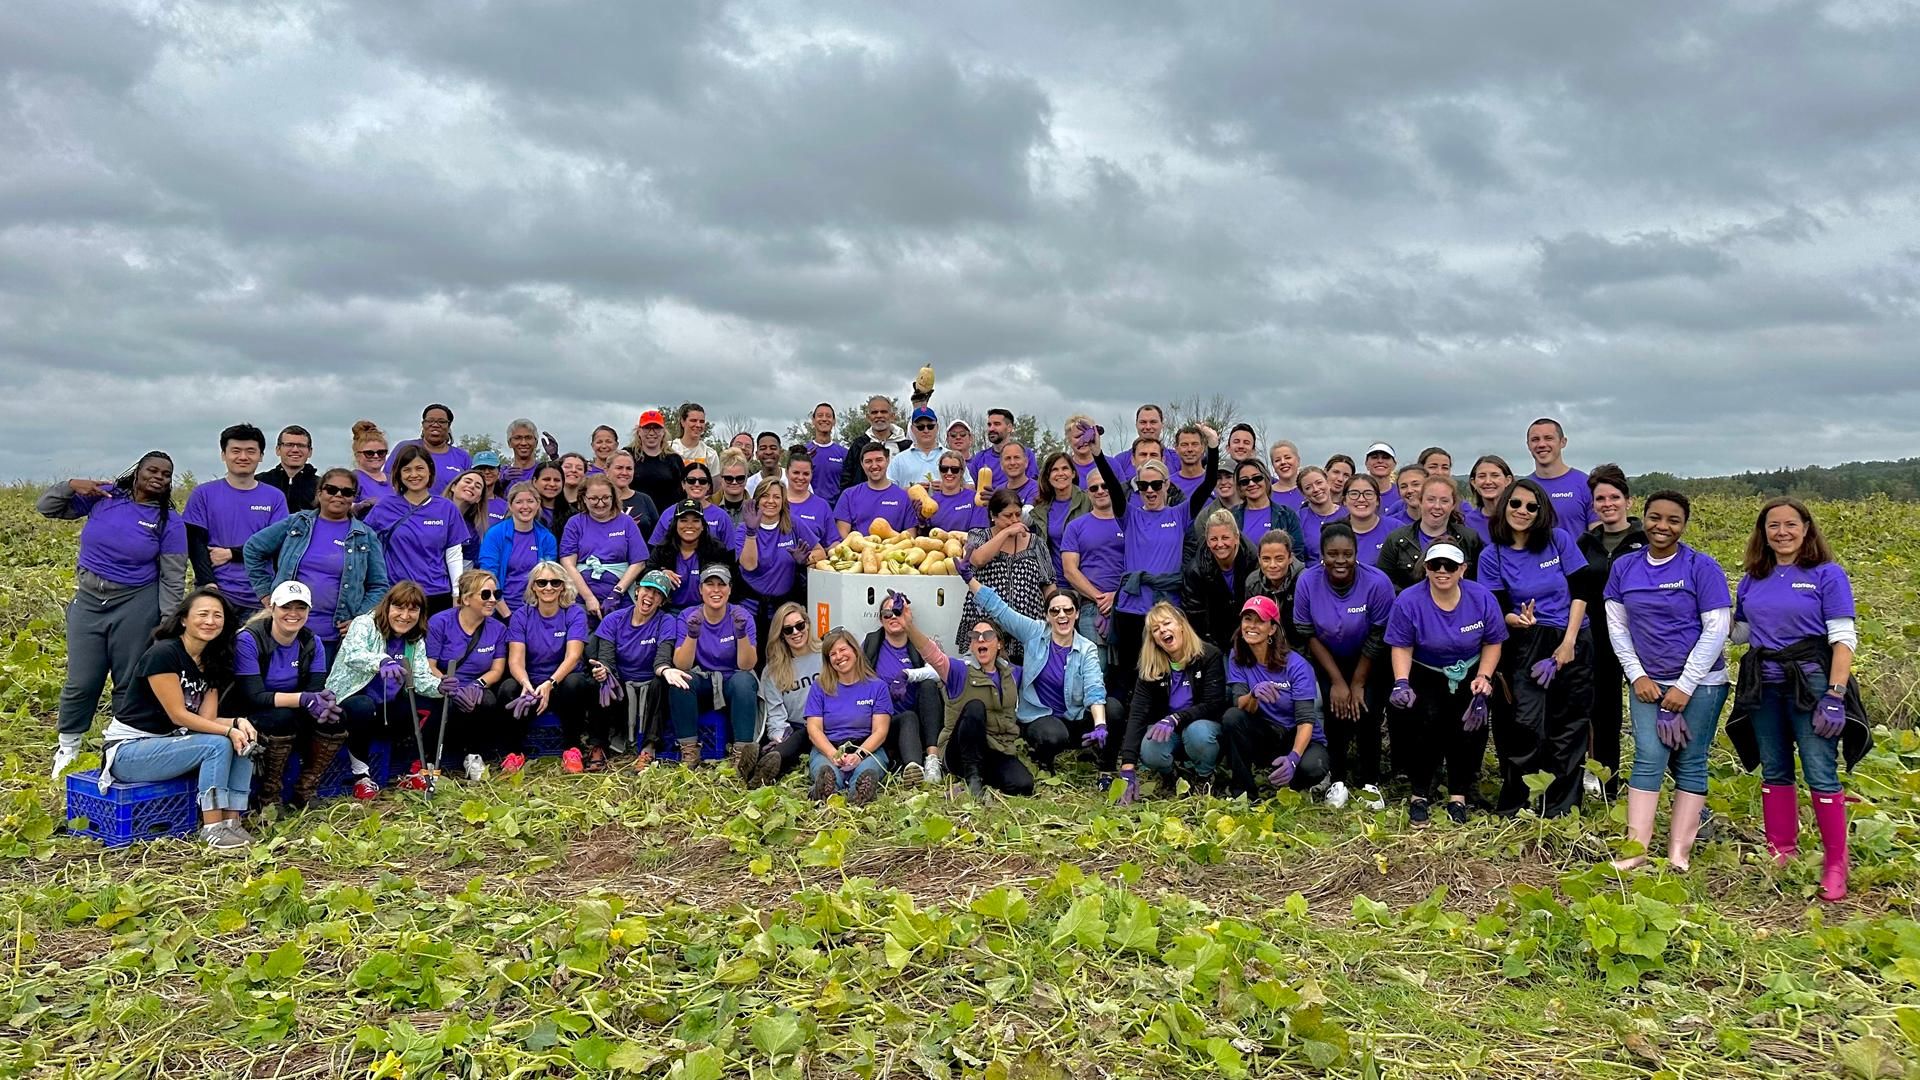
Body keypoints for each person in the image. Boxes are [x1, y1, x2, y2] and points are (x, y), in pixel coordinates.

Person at [1727, 498, 1867, 902]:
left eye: (1791, 524)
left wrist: (1835, 695)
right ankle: (1781, 852)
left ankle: (1836, 864)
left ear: (1806, 529)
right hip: (1764, 686)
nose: (1782, 532)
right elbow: (1741, 633)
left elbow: (1843, 640)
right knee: (1774, 768)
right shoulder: (1753, 578)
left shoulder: (1827, 575)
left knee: (1820, 770)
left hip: (1812, 686)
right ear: (1763, 532)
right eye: (1773, 525)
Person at [1602, 491, 1732, 872]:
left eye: (1673, 520)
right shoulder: (1625, 567)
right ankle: (1636, 850)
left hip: (1702, 684)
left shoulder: (1701, 567)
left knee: (1692, 761)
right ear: (1643, 518)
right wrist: (1637, 674)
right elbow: (1617, 625)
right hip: (1647, 683)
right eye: (1655, 518)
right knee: (1648, 758)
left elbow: (1716, 628)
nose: (1663, 526)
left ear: (1684, 525)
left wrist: (1685, 686)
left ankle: (1679, 853)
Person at [41, 453, 190, 777]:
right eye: (152, 470)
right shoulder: (105, 497)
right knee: (82, 681)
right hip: (90, 600)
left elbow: (173, 576)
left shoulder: (169, 521)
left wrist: (168, 623)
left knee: (127, 679)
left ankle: (118, 744)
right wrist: (70, 485)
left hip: (136, 602)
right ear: (137, 471)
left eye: (166, 474)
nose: (159, 477)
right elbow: (48, 507)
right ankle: (68, 747)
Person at [99, 586, 255, 853]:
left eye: (217, 616)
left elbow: (206, 719)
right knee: (217, 744)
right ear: (184, 619)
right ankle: (212, 830)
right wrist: (227, 732)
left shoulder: (212, 660)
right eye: (202, 614)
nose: (210, 621)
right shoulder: (164, 654)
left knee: (246, 739)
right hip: (129, 749)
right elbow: (179, 715)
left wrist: (237, 723)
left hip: (168, 744)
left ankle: (232, 822)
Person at [1477, 478, 1595, 817]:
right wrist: (1517, 620)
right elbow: (1498, 607)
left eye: (1532, 506)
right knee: (1527, 726)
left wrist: (1569, 641)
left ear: (1542, 511)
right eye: (1516, 504)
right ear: (1504, 507)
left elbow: (1581, 588)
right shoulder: (1492, 554)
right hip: (1527, 643)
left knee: (1569, 724)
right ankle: (1519, 803)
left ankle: (1561, 807)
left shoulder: (1558, 541)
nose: (1523, 512)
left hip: (1571, 638)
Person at [1385, 543, 1507, 826]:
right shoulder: (1408, 601)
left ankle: (1458, 797)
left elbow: (1493, 640)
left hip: (1471, 671)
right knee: (1423, 729)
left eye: (1450, 566)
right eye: (1434, 565)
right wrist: (1401, 682)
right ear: (1425, 568)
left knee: (1467, 731)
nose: (1442, 571)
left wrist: (1484, 678)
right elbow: (1401, 645)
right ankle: (1419, 795)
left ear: (1462, 569)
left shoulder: (1482, 598)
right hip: (1425, 671)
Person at [1294, 524, 1397, 811]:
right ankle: (1337, 778)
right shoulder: (1307, 581)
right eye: (1333, 554)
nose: (1340, 560)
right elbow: (1307, 633)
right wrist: (1339, 682)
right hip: (1328, 658)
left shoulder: (1377, 582)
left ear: (1357, 554)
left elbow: (1379, 634)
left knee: (1367, 711)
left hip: (1371, 659)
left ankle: (1369, 782)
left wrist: (1357, 683)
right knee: (1334, 711)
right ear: (1322, 556)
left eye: (1347, 554)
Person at [966, 578, 1111, 775]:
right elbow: (1000, 610)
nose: (1062, 615)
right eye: (1055, 611)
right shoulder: (1034, 632)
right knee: (1053, 736)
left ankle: (1106, 765)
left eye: (1068, 610)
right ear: (1047, 616)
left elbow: (1094, 689)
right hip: (1041, 716)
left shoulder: (1087, 648)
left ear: (1076, 614)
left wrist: (1100, 724)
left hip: (1073, 716)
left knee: (1114, 709)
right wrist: (969, 579)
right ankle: (1042, 761)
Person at [243, 467, 390, 650]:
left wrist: (359, 619)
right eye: (331, 489)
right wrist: (265, 593)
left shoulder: (365, 535)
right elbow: (252, 549)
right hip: (286, 630)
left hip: (336, 639)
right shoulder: (297, 523)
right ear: (319, 493)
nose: (338, 495)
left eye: (346, 492)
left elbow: (379, 586)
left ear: (353, 498)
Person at [324, 581, 444, 796]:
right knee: (362, 706)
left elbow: (421, 678)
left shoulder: (414, 639)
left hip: (387, 706)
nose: (405, 616)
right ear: (387, 606)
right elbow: (354, 655)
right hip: (348, 701)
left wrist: (444, 686)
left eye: (413, 609)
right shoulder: (365, 624)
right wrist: (381, 661)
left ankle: (416, 772)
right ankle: (362, 777)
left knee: (436, 702)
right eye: (399, 607)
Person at [1577, 464, 1648, 799]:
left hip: (1642, 641)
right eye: (1600, 498)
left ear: (1628, 502)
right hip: (1596, 638)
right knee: (1601, 712)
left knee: (1648, 711)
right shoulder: (1585, 543)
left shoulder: (1645, 541)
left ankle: (1655, 781)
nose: (1607, 503)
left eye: (1614, 497)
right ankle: (1605, 782)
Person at [1100, 456, 1193, 705]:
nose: (1150, 491)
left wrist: (1214, 447)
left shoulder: (1180, 514)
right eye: (1143, 486)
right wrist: (1098, 453)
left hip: (1166, 608)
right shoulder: (1130, 515)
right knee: (1131, 671)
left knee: (1165, 671)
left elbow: (1209, 484)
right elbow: (1111, 484)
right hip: (1132, 608)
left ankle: (1163, 725)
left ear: (1166, 485)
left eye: (1156, 485)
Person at [230, 581, 330, 807]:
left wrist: (323, 702)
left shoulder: (312, 642)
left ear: (308, 611)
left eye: (301, 608)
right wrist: (303, 699)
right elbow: (253, 695)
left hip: (292, 707)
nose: (293, 614)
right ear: (272, 608)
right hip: (251, 711)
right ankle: (269, 796)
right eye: (286, 607)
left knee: (335, 719)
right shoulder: (249, 639)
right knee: (281, 717)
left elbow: (315, 689)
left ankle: (305, 789)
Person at [1223, 596, 1329, 800]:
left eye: (1259, 621)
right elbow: (1240, 704)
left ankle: (1293, 783)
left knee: (1312, 767)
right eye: (1247, 619)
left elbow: (1306, 719)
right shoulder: (1237, 656)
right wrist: (1253, 694)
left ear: (1272, 629)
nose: (1251, 626)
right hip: (1267, 731)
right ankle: (1243, 793)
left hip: (1296, 735)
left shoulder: (1297, 665)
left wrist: (1294, 758)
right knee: (1232, 717)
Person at [915, 616, 1033, 797]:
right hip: (958, 751)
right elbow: (933, 655)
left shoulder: (1013, 673)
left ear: (999, 644)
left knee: (1023, 785)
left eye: (987, 635)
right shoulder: (959, 670)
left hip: (994, 748)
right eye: (975, 636)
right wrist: (908, 626)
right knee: (975, 707)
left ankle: (976, 779)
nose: (980, 639)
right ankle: (973, 780)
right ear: (971, 645)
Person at [1124, 602, 1228, 801]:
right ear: (1154, 639)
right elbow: (1137, 714)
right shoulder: (1151, 667)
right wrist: (1127, 767)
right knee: (1150, 746)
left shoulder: (1209, 655)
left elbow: (1213, 704)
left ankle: (1205, 777)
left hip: (1201, 726)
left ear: (1181, 624)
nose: (1162, 630)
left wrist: (1177, 717)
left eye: (1166, 623)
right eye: (1156, 629)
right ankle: (1171, 776)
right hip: (1168, 731)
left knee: (1198, 733)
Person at [499, 561, 595, 770]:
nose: (548, 587)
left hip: (560, 684)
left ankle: (572, 749)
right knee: (508, 688)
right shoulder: (521, 615)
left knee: (576, 682)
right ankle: (514, 753)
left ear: (563, 586)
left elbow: (573, 656)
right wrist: (526, 684)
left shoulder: (574, 613)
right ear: (533, 586)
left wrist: (550, 683)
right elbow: (515, 660)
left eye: (555, 582)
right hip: (532, 686)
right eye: (542, 582)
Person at [664, 566, 760, 770]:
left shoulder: (741, 615)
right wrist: (692, 635)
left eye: (721, 585)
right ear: (700, 590)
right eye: (710, 584)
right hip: (703, 678)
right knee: (681, 680)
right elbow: (682, 664)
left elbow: (747, 665)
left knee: (744, 681)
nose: (716, 590)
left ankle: (742, 754)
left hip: (732, 680)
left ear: (730, 589)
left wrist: (741, 635)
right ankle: (689, 752)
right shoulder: (688, 615)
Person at [425, 569, 513, 780]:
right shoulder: (440, 622)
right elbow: (430, 665)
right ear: (465, 599)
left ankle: (474, 755)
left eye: (496, 594)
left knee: (487, 701)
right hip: (444, 682)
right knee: (439, 703)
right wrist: (449, 685)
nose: (492, 600)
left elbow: (497, 669)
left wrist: (477, 684)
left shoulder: (498, 629)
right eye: (485, 595)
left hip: (476, 684)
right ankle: (430, 761)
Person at [586, 570, 677, 770]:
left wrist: (665, 670)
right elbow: (606, 659)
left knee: (662, 681)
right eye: (647, 589)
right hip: (621, 686)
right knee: (597, 683)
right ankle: (598, 746)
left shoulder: (666, 621)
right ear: (637, 591)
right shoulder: (614, 620)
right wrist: (604, 671)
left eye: (657, 593)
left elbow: (662, 657)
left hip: (650, 684)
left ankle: (648, 748)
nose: (650, 596)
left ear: (662, 601)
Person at [185, 424, 288, 601]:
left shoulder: (275, 497)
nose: (243, 457)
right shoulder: (203, 494)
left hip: (260, 596)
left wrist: (231, 553)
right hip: (216, 594)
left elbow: (276, 544)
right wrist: (208, 585)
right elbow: (195, 544)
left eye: (250, 451)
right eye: (235, 451)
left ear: (261, 456)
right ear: (223, 454)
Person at [365, 445, 469, 616]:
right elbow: (367, 547)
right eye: (407, 470)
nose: (414, 475)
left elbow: (454, 555)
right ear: (398, 473)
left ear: (430, 470)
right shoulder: (384, 507)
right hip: (397, 594)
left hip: (437, 594)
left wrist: (457, 593)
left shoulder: (446, 508)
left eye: (420, 468)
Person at [863, 593, 946, 784]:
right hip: (884, 722)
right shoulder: (871, 644)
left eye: (898, 612)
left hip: (919, 721)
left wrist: (909, 674)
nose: (893, 616)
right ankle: (913, 768)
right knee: (906, 717)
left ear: (907, 616)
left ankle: (932, 759)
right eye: (887, 613)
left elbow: (942, 671)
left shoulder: (919, 643)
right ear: (880, 619)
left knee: (928, 686)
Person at [803, 629, 892, 805]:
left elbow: (880, 731)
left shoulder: (877, 687)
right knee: (826, 771)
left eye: (843, 650)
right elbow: (814, 729)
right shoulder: (820, 687)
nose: (839, 657)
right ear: (828, 661)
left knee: (867, 771)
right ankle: (825, 790)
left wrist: (859, 755)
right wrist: (833, 754)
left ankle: (859, 794)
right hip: (830, 748)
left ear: (855, 650)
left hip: (867, 749)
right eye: (832, 654)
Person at [961, 489, 1055, 647]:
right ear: (993, 515)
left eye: (1018, 515)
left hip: (1027, 622)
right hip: (987, 621)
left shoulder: (1036, 542)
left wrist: (1053, 612)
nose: (1014, 520)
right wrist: (1005, 533)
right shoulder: (978, 535)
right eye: (1007, 516)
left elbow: (1048, 583)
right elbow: (978, 560)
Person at [735, 479, 821, 642]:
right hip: (752, 608)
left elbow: (820, 552)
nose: (771, 501)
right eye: (765, 496)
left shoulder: (793, 524)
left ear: (783, 501)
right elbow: (749, 565)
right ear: (757, 500)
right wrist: (752, 532)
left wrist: (805, 560)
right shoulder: (744, 529)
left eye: (776, 497)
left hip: (785, 608)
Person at [559, 475, 648, 625]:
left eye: (606, 498)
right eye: (594, 499)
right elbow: (568, 564)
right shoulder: (575, 523)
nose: (600, 503)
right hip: (581, 597)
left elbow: (639, 562)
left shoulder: (626, 522)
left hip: (620, 597)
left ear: (613, 497)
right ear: (584, 498)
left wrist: (616, 593)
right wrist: (589, 598)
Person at [751, 601, 822, 788]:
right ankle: (763, 765)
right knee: (793, 740)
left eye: (800, 626)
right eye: (788, 630)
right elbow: (775, 714)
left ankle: (763, 766)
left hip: (828, 725)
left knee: (805, 737)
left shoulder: (826, 654)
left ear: (807, 624)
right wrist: (779, 737)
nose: (796, 633)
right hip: (795, 728)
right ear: (781, 635)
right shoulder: (773, 671)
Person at [1059, 468, 1125, 664]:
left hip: (1129, 603)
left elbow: (1142, 562)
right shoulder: (1075, 526)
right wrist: (1101, 599)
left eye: (1105, 486)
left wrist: (1117, 596)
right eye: (1094, 488)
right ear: (1088, 492)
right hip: (1092, 608)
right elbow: (1070, 570)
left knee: (1131, 671)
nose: (1100, 491)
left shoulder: (1131, 521)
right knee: (1096, 670)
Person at [1377, 475, 1484, 591]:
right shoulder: (1396, 540)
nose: (1437, 506)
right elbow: (1386, 585)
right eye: (1431, 499)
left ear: (1453, 505)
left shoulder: (1469, 539)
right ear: (1420, 501)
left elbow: (1477, 584)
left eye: (1444, 501)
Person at [475, 483, 558, 618]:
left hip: (535, 611)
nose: (525, 507)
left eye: (530, 501)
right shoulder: (495, 534)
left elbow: (548, 579)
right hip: (500, 610)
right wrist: (507, 615)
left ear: (538, 504)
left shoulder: (547, 538)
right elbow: (488, 577)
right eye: (519, 502)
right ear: (510, 506)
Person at [1183, 509, 1258, 652]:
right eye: (1213, 539)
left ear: (1236, 537)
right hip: (1213, 640)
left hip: (1249, 634)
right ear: (1207, 541)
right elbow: (1194, 615)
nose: (1220, 544)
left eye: (1225, 537)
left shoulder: (1253, 560)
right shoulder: (1195, 570)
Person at [649, 500, 736, 611]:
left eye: (695, 521)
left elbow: (730, 579)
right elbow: (647, 571)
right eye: (683, 521)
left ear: (703, 526)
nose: (689, 526)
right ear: (675, 525)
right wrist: (660, 574)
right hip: (668, 611)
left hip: (705, 610)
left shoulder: (717, 550)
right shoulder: (662, 549)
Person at [1029, 452, 1091, 582]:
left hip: (1086, 580)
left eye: (1065, 468)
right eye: (1054, 470)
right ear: (1048, 476)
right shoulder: (1040, 509)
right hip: (1053, 583)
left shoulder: (1089, 501)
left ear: (1073, 473)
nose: (1060, 473)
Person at [1242, 530, 1309, 650]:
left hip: (1303, 651)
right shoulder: (1252, 583)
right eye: (1266, 559)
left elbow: (1310, 630)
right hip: (1267, 651)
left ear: (1290, 558)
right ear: (1259, 559)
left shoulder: (1304, 581)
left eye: (1279, 559)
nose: (1272, 565)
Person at [834, 442, 916, 538]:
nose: (874, 466)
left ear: (888, 460)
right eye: (868, 461)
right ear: (862, 464)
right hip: (858, 552)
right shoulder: (849, 495)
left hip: (894, 551)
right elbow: (842, 535)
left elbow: (910, 537)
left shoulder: (903, 497)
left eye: (879, 460)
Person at [1527, 417, 1593, 534]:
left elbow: (1598, 535)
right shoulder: (1523, 488)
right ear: (1528, 445)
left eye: (1548, 438)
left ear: (1563, 442)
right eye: (1535, 439)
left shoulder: (1585, 484)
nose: (1541, 444)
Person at [1226, 459, 1307, 554]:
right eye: (1244, 481)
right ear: (1239, 486)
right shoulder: (1230, 517)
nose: (1251, 484)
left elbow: (1298, 553)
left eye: (1257, 478)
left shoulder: (1287, 515)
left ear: (1266, 479)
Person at [648, 462, 736, 547]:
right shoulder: (669, 513)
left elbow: (731, 553)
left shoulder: (721, 517)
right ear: (683, 484)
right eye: (691, 480)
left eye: (702, 481)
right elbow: (655, 548)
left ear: (709, 486)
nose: (697, 484)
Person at [839, 395, 908, 495]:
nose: (879, 415)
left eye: (883, 412)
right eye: (874, 412)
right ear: (868, 417)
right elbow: (847, 478)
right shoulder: (858, 445)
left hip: (899, 503)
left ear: (892, 416)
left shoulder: (905, 445)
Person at [628, 409, 687, 515]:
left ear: (663, 431)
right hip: (636, 518)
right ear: (639, 431)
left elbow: (683, 492)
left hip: (667, 519)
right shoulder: (628, 456)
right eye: (646, 428)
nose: (651, 433)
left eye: (657, 428)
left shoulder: (674, 460)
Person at [393, 404, 472, 480]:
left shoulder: (462, 457)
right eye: (430, 421)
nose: (435, 425)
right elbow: (388, 479)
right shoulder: (404, 447)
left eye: (441, 422)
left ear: (448, 426)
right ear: (423, 424)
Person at [445, 468, 499, 568]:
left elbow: (464, 570)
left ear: (478, 499)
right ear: (453, 487)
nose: (472, 486)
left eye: (478, 486)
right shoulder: (431, 512)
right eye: (467, 481)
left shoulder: (472, 533)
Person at [258, 425, 319, 512]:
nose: (295, 450)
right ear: (278, 450)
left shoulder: (322, 487)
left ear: (310, 452)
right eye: (289, 445)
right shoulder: (260, 482)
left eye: (301, 445)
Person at [782, 448, 834, 546]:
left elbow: (833, 541)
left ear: (811, 475)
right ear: (787, 472)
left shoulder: (822, 506)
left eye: (806, 474)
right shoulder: (776, 503)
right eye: (796, 473)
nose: (801, 478)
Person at [1294, 466, 1346, 565]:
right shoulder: (1298, 518)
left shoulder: (1347, 514)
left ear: (1328, 482)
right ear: (1303, 493)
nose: (1316, 489)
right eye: (1308, 487)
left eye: (1319, 483)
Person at [1340, 476, 1396, 567]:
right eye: (1354, 494)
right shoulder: (1334, 532)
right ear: (1344, 501)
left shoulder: (1396, 529)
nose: (1361, 499)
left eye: (1368, 494)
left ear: (1377, 500)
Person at [925, 451, 986, 533]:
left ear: (962, 472)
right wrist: (922, 522)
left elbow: (979, 534)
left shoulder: (975, 499)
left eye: (954, 470)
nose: (949, 473)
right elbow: (925, 534)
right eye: (944, 469)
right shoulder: (931, 501)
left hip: (967, 544)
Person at [606, 450, 660, 539]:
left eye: (629, 468)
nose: (624, 473)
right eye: (619, 468)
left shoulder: (645, 499)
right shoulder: (601, 500)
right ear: (607, 470)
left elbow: (658, 534)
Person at [804, 402, 849, 508]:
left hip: (836, 512)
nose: (824, 419)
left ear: (834, 421)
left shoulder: (844, 454)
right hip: (809, 509)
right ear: (813, 421)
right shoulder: (803, 452)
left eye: (828, 416)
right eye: (820, 416)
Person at [1462, 454, 1515, 544]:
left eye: (1495, 475)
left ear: (1507, 481)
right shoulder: (1467, 523)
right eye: (1482, 476)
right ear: (1473, 482)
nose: (1488, 481)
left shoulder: (1519, 517)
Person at [890, 406, 946, 489]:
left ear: (937, 427)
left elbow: (970, 486)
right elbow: (888, 493)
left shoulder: (951, 456)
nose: (926, 430)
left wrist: (950, 488)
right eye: (920, 427)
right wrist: (908, 491)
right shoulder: (899, 460)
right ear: (912, 429)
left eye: (930, 426)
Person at [1169, 424, 1222, 504]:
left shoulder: (1218, 482)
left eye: (1195, 444)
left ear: (1203, 447)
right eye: (1184, 445)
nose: (1190, 449)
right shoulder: (1168, 484)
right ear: (1176, 449)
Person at [349, 420, 394, 513]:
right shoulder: (352, 479)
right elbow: (341, 505)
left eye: (381, 452)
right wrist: (357, 507)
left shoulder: (393, 480)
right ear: (357, 455)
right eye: (369, 453)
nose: (376, 456)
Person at [971, 407, 1015, 489]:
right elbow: (972, 490)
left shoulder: (1025, 455)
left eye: (997, 424)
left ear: (1009, 428)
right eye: (989, 425)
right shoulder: (980, 458)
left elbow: (1031, 487)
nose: (991, 429)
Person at [499, 418, 543, 492]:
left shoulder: (544, 471)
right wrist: (500, 483)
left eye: (528, 438)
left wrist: (555, 458)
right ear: (509, 443)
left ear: (536, 442)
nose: (523, 443)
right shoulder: (501, 473)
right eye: (517, 438)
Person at [531, 460, 572, 534]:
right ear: (534, 481)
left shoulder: (572, 515)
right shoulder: (525, 510)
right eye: (546, 479)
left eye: (557, 480)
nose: (552, 484)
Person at [713, 449, 753, 524]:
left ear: (746, 478)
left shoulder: (755, 509)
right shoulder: (708, 505)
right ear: (721, 478)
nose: (734, 482)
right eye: (729, 478)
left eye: (740, 478)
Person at [671, 402, 716, 468]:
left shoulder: (710, 455)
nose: (698, 425)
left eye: (702, 421)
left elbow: (715, 478)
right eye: (693, 420)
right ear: (682, 422)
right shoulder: (669, 449)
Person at [1064, 413, 1104, 485]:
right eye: (1078, 437)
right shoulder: (1063, 469)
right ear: (1069, 440)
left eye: (1086, 435)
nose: (1083, 440)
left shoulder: (1112, 465)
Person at [1363, 443, 1402, 517]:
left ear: (1394, 464)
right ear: (1366, 464)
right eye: (1374, 457)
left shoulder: (1402, 494)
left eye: (1386, 457)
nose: (1380, 461)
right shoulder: (1356, 495)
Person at [1268, 440, 1305, 512]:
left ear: (1298, 461)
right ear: (1273, 466)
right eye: (1277, 460)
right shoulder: (1267, 494)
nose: (1283, 462)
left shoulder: (1311, 489)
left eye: (1287, 457)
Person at [745, 431, 784, 498]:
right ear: (757, 455)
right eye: (763, 448)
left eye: (773, 448)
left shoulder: (794, 480)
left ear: (780, 453)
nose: (768, 452)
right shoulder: (748, 485)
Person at [557, 452, 591, 522]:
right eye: (567, 467)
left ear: (584, 474)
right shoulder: (550, 502)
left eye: (579, 468)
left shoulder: (589, 503)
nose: (573, 470)